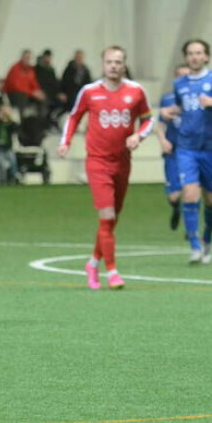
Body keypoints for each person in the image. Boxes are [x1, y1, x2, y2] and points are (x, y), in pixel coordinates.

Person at [58, 46, 153, 289]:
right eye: (109, 61)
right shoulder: (89, 92)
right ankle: (112, 272)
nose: (114, 66)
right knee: (107, 215)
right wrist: (65, 142)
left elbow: (148, 120)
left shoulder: (136, 91)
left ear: (124, 64)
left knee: (111, 220)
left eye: (118, 62)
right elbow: (74, 116)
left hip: (122, 162)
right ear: (103, 64)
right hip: (98, 162)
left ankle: (92, 263)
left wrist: (138, 137)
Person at [161, 39, 212, 264]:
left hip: (210, 148)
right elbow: (182, 107)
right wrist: (170, 112)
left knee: (211, 199)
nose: (194, 57)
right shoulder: (179, 83)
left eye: (199, 53)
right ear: (186, 57)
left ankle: (207, 238)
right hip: (186, 148)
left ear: (206, 56)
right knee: (190, 194)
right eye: (190, 53)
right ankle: (194, 245)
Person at [154, 65, 191, 231]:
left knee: (191, 189)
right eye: (180, 76)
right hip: (173, 151)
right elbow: (160, 125)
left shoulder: (198, 99)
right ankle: (176, 207)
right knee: (174, 195)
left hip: (191, 150)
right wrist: (163, 141)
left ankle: (192, 226)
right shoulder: (167, 99)